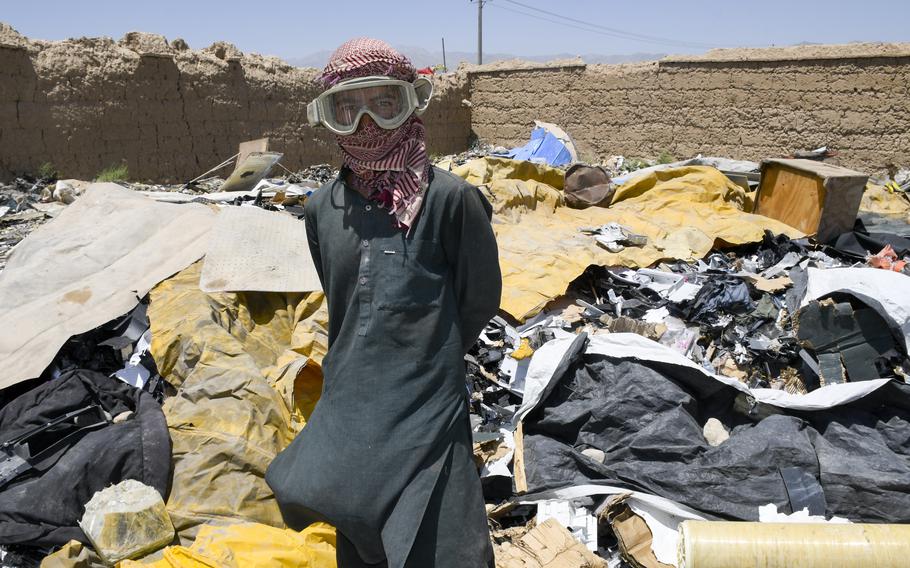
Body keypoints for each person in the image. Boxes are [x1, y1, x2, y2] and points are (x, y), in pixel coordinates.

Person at [266, 38, 501, 568]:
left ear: (411, 102)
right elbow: (342, 298)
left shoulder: (450, 200)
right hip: (352, 399)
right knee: (360, 529)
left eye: (384, 103)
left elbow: (478, 298)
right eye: (349, 108)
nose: (367, 123)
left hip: (427, 401)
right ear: (329, 117)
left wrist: (429, 355)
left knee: (441, 541)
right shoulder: (322, 209)